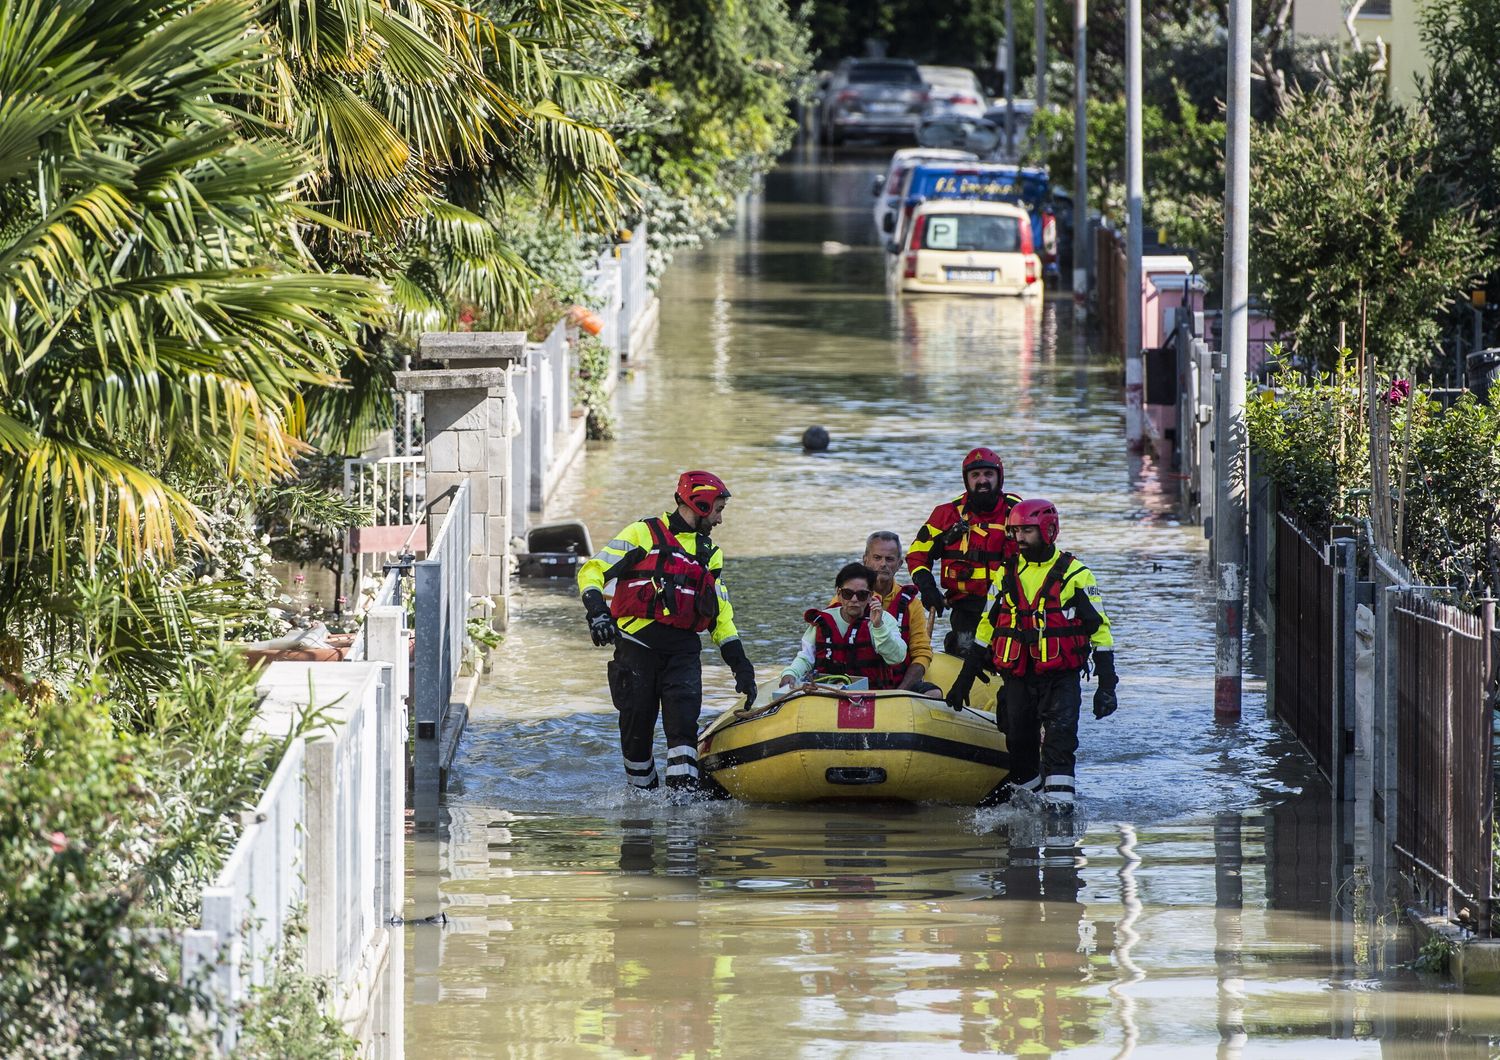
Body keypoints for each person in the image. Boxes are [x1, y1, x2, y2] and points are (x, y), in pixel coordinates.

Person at [577, 470, 757, 793]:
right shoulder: (641, 534)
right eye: (718, 510)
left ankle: (682, 828)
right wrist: (597, 614)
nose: (719, 520)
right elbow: (592, 571)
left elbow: (721, 615)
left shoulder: (711, 555)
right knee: (636, 743)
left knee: (683, 736)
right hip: (635, 651)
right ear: (700, 504)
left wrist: (740, 665)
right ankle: (641, 816)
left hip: (683, 655)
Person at [945, 499, 1118, 813]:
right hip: (1018, 677)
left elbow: (1100, 631)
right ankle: (1028, 828)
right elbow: (987, 626)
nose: (1020, 538)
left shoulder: (1077, 574)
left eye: (1027, 530)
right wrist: (963, 679)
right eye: (1016, 531)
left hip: (1060, 678)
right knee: (1020, 749)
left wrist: (1107, 686)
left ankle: (1061, 835)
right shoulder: (1006, 573)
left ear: (1048, 530)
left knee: (1060, 745)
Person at [906, 447, 1023, 655]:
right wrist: (928, 588)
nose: (982, 481)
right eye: (975, 475)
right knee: (964, 653)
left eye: (988, 474)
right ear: (966, 479)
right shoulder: (946, 514)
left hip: (1010, 609)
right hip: (966, 607)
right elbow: (917, 554)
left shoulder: (1017, 512)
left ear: (999, 477)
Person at [830, 531, 941, 695]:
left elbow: (921, 654)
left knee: (934, 694)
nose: (883, 564)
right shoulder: (844, 600)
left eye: (889, 559)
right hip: (855, 685)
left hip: (900, 686)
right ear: (865, 560)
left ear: (899, 564)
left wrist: (900, 693)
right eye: (877, 558)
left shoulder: (912, 604)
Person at [780, 562, 915, 691]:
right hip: (827, 693)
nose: (854, 600)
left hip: (873, 696)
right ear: (839, 594)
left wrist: (879, 626)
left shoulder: (884, 620)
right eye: (847, 594)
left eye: (861, 595)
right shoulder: (822, 621)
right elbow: (805, 658)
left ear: (870, 596)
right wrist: (790, 674)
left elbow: (897, 657)